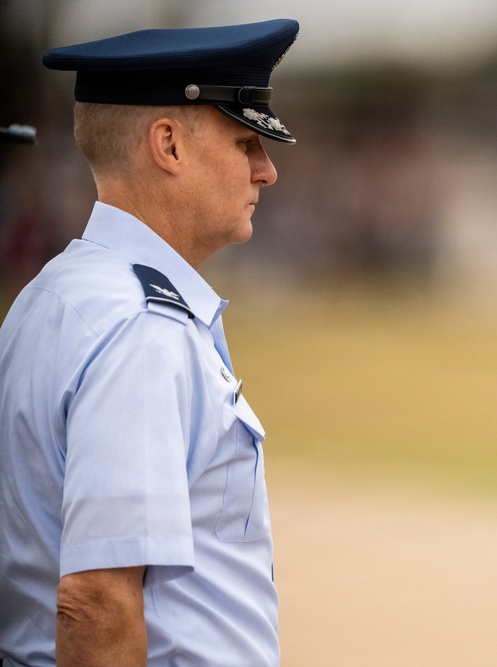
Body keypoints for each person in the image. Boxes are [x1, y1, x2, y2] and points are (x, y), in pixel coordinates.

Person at [0, 19, 299, 666]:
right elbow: (95, 603)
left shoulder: (49, 297)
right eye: (245, 141)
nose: (267, 171)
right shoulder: (140, 327)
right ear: (168, 145)